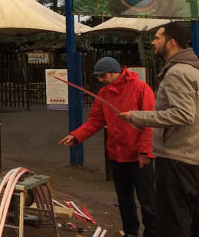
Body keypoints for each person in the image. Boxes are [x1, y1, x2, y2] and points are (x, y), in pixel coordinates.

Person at [58, 56, 155, 237]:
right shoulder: (104, 93)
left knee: (147, 199)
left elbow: (150, 122)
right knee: (124, 198)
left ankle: (152, 233)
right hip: (117, 154)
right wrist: (76, 135)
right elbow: (95, 121)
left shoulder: (141, 88)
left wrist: (145, 151)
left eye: (101, 76)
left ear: (112, 73)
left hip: (138, 154)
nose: (99, 80)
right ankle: (130, 232)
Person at [120, 22, 199, 237]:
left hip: (177, 160)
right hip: (191, 157)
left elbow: (183, 114)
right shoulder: (193, 68)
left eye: (157, 37)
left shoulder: (177, 72)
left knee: (174, 224)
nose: (153, 42)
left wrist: (137, 116)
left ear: (171, 42)